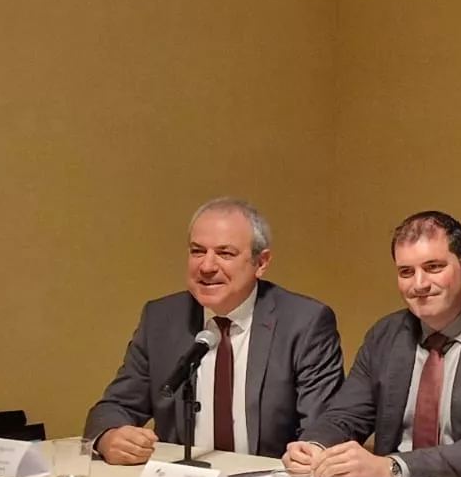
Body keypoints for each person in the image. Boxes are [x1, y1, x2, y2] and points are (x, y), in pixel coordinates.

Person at [286, 211, 461, 477]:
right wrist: (312, 446)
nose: (419, 284)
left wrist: (393, 468)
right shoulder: (385, 335)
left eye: (434, 267)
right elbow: (345, 416)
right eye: (406, 272)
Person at [85, 198, 344, 463]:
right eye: (197, 251)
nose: (207, 267)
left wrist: (309, 454)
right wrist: (110, 436)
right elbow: (114, 406)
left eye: (225, 254)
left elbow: (323, 425)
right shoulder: (162, 319)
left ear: (262, 263)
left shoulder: (304, 322)